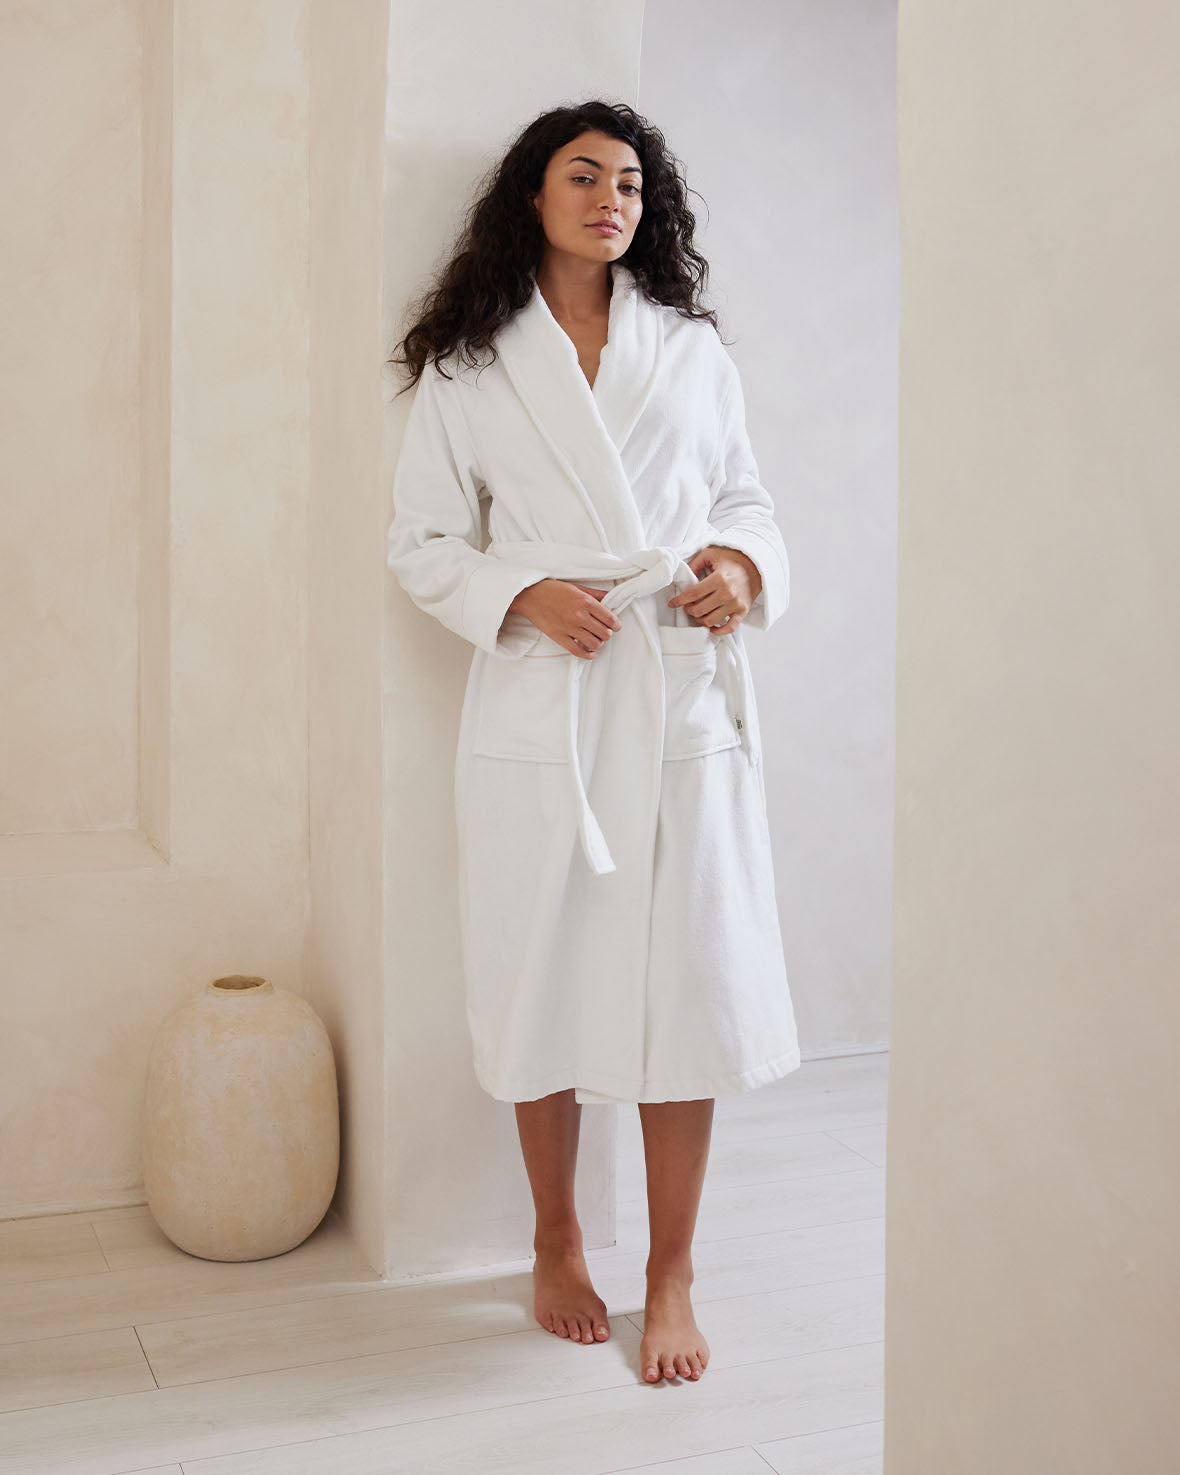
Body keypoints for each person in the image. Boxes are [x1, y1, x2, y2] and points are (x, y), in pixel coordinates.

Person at [386, 100, 800, 1386]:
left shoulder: (690, 350)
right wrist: (521, 592)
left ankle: (671, 1268)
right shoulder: (471, 364)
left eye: (628, 183)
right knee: (539, 971)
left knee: (691, 983)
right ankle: (555, 1236)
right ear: (533, 195)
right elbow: (421, 543)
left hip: (674, 688)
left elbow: (745, 500)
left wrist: (738, 569)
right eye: (582, 176)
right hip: (548, 697)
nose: (610, 199)